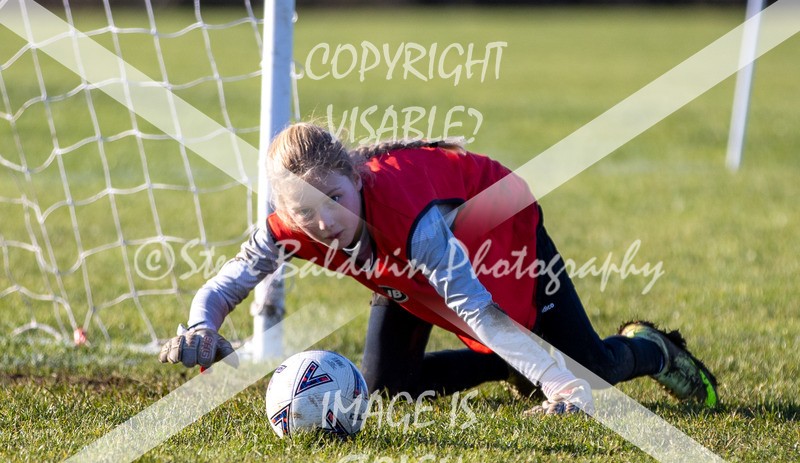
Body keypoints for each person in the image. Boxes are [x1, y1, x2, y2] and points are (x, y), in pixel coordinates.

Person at [158, 122, 719, 415]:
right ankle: (514, 370)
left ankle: (651, 348)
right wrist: (202, 326)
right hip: (406, 266)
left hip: (498, 223)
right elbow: (225, 285)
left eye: (333, 199)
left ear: (355, 177)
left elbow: (477, 308)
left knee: (588, 368)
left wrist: (562, 385)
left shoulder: (409, 217)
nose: (324, 221)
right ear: (283, 212)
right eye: (304, 211)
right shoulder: (292, 226)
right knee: (386, 390)